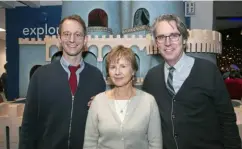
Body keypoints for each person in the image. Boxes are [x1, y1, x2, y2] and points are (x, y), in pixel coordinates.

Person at [142, 14, 241, 149]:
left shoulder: (208, 71)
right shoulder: (151, 78)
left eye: (174, 35)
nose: (167, 42)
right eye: (161, 37)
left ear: (184, 39)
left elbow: (227, 119)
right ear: (156, 42)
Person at [19, 14, 106, 149]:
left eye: (78, 34)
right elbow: (28, 126)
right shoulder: (40, 76)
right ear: (59, 38)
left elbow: (103, 124)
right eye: (66, 34)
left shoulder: (96, 77)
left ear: (85, 40)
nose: (72, 39)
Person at [84, 45, 162, 149]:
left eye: (123, 66)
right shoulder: (98, 101)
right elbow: (90, 143)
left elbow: (155, 143)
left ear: (133, 70)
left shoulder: (148, 102)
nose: (117, 72)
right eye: (113, 67)